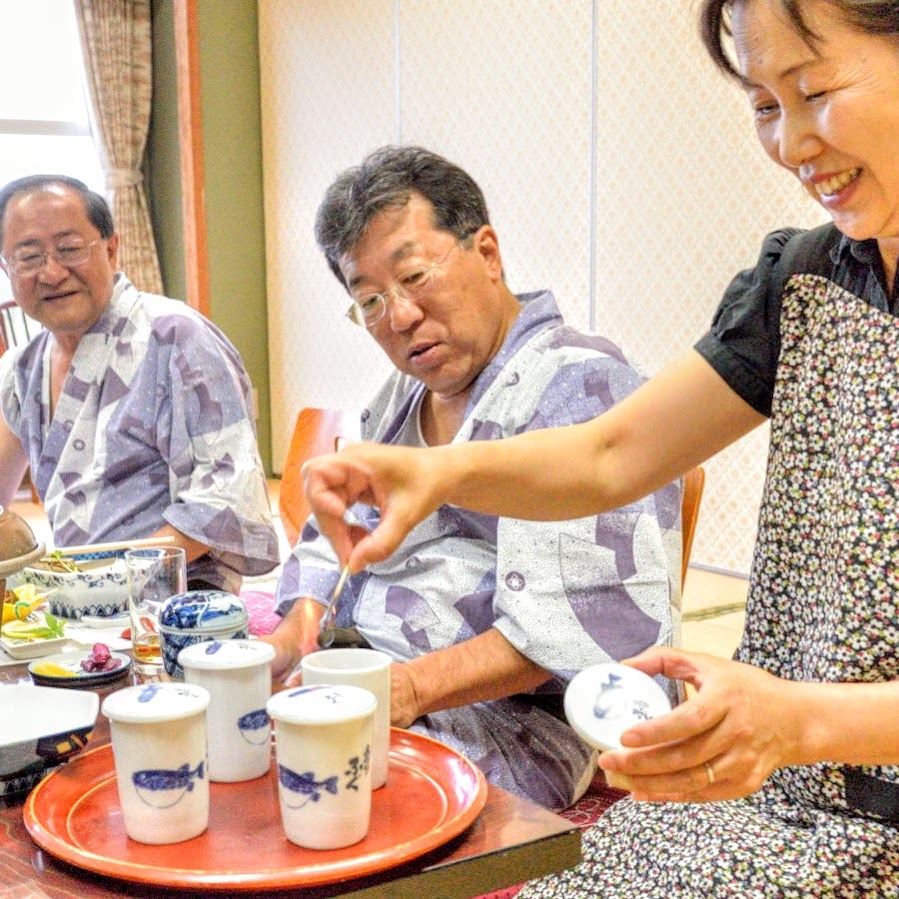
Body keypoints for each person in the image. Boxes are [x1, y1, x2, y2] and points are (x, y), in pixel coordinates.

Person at [302, 1, 899, 894]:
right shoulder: (808, 280)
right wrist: (440, 468)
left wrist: (799, 721)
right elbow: (611, 455)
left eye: (813, 91)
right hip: (780, 794)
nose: (790, 143)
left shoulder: (575, 364)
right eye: (764, 105)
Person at [263, 145, 683, 811]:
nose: (397, 317)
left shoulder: (579, 385)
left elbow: (577, 619)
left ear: (487, 253)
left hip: (509, 717)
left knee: (322, 796)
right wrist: (297, 632)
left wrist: (401, 690)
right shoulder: (403, 390)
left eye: (415, 276)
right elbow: (336, 533)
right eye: (368, 299)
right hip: (372, 667)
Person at [0, 175, 280, 593]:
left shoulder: (176, 337)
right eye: (29, 257)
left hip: (177, 608)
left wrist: (105, 583)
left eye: (70, 249)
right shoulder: (21, 368)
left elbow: (229, 501)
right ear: (7, 268)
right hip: (76, 606)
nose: (53, 272)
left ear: (112, 249)